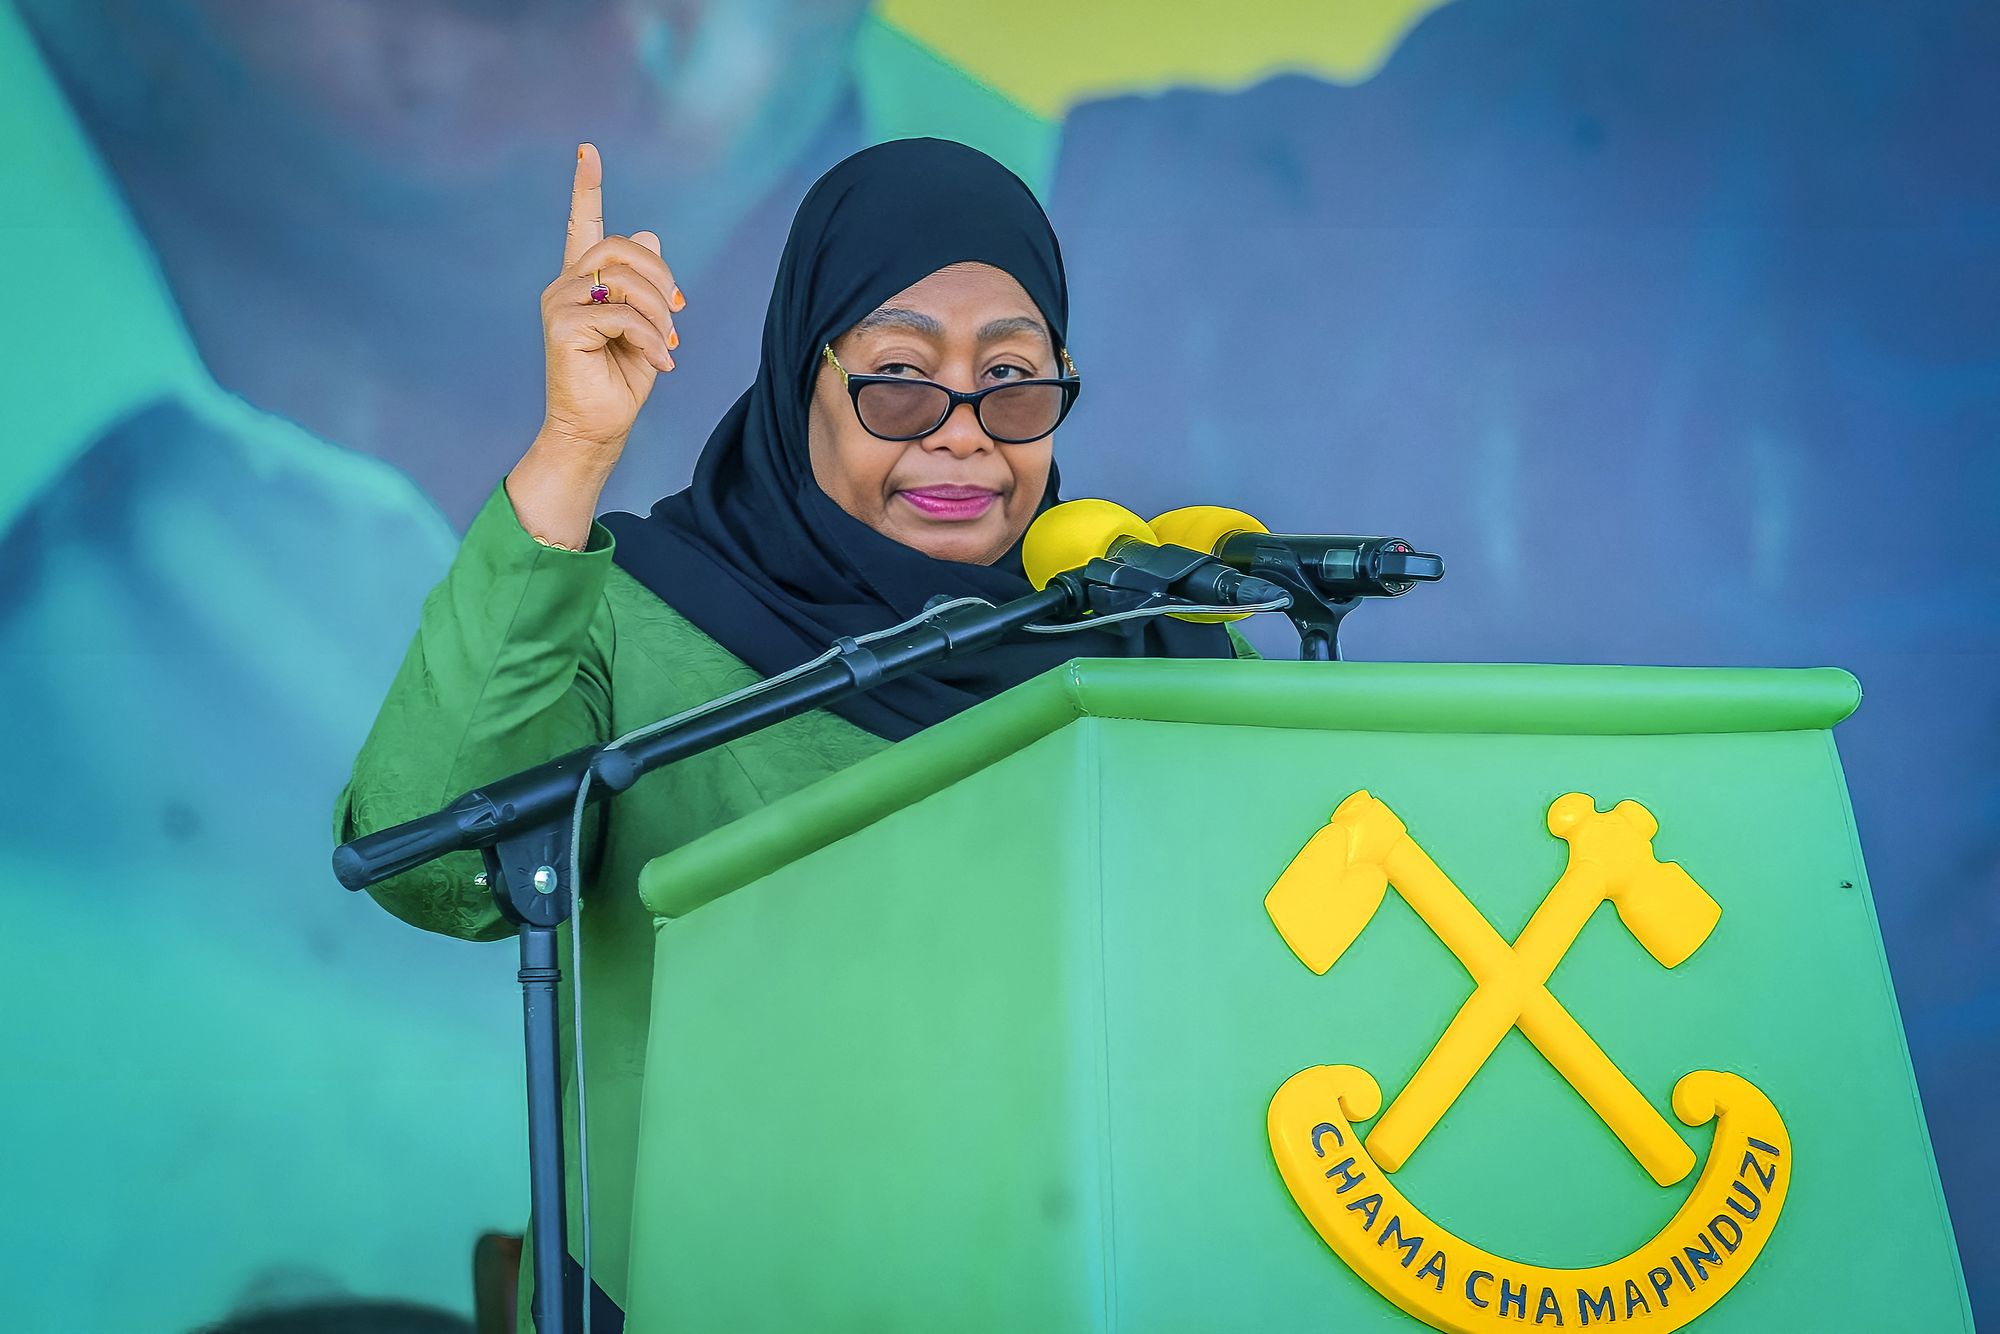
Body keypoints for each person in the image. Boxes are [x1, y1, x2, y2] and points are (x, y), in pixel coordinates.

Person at [334, 136, 1247, 1329]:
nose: (964, 431)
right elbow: (426, 851)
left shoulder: (1145, 645)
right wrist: (575, 445)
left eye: (1013, 377)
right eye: (900, 378)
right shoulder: (642, 619)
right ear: (796, 380)